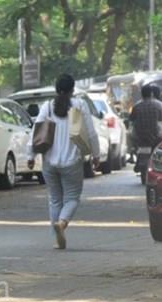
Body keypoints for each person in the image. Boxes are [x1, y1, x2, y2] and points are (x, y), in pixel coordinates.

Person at [26, 74, 100, 250]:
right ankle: (62, 223)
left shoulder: (47, 107)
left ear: (56, 89)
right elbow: (91, 133)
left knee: (54, 199)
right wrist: (96, 155)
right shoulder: (79, 105)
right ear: (73, 89)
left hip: (49, 162)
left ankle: (56, 239)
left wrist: (31, 156)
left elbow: (36, 132)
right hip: (72, 161)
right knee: (72, 197)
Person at [130, 84, 162, 150]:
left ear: (141, 94)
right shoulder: (160, 105)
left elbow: (132, 119)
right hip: (156, 136)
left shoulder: (136, 106)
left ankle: (134, 150)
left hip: (139, 136)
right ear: (151, 94)